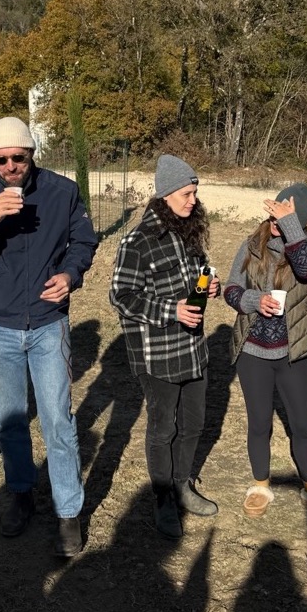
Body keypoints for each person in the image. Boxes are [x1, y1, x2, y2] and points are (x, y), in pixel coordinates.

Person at [0, 117, 98, 558]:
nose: (11, 166)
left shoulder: (61, 192)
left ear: (32, 154)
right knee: (10, 419)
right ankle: (20, 493)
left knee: (58, 421)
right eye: (2, 160)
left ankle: (68, 512)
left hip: (49, 323)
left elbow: (83, 241)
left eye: (19, 157)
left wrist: (71, 274)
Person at [110, 155, 220, 539]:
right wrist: (171, 310)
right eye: (188, 193)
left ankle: (182, 485)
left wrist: (210, 281)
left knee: (193, 424)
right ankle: (161, 499)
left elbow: (200, 270)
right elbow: (121, 295)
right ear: (168, 194)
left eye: (195, 193)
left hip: (194, 348)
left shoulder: (188, 231)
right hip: (159, 352)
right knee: (163, 428)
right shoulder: (138, 241)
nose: (193, 200)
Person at [224, 184, 307, 518]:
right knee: (259, 423)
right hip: (253, 351)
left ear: (299, 219)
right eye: (274, 213)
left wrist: (291, 226)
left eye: (285, 215)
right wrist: (254, 301)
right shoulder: (253, 244)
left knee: (302, 425)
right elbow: (231, 289)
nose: (275, 221)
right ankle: (260, 486)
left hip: (295, 352)